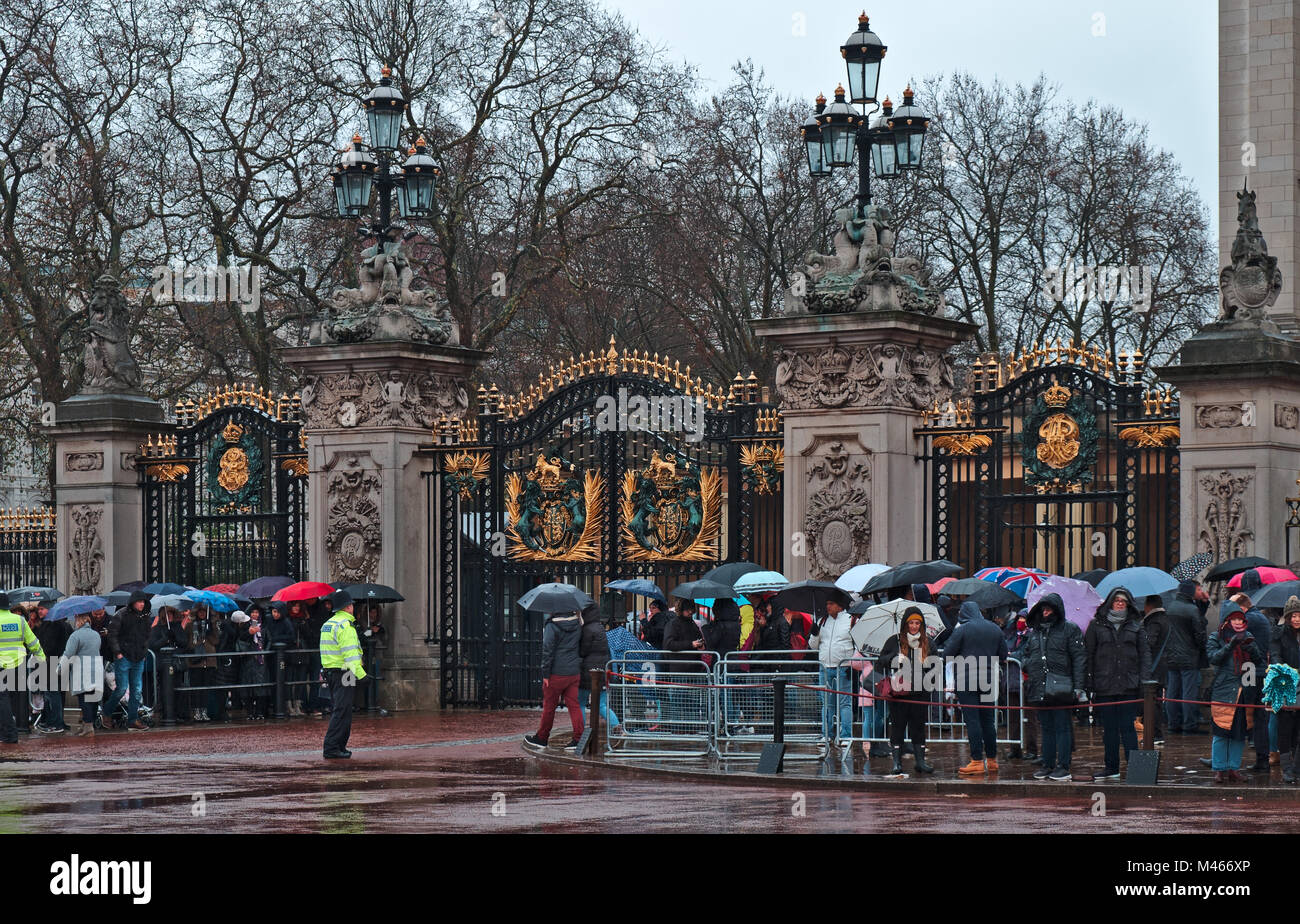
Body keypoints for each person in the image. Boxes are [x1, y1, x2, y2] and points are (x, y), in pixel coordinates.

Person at [1084, 587, 1151, 780]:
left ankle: (1134, 767)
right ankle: (1111, 766)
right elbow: (1089, 654)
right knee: (1110, 730)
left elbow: (1144, 654)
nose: (1120, 603)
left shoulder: (1136, 626)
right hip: (1105, 684)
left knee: (1128, 728)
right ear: (1110, 603)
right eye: (1117, 600)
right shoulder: (1096, 625)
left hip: (1129, 684)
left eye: (1123, 600)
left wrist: (1144, 680)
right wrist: (1088, 682)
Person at [1021, 593, 1086, 781]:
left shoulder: (1069, 629)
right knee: (1047, 728)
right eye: (1043, 608)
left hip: (1061, 686)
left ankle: (1063, 765)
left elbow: (1079, 658)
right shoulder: (1035, 632)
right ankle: (1047, 764)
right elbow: (1025, 654)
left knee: (1062, 727)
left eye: (1049, 608)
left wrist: (1078, 687)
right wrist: (1027, 664)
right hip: (1039, 686)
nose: (1045, 611)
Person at [945, 600, 1008, 775]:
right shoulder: (995, 628)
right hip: (989, 679)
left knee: (972, 720)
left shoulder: (962, 630)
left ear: (963, 614)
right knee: (988, 721)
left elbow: (947, 653)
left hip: (966, 679)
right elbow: (1003, 654)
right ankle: (992, 760)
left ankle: (977, 761)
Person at [875, 606, 935, 774]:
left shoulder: (928, 642)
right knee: (898, 727)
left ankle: (920, 761)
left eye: (917, 623)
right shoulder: (894, 641)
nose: (914, 626)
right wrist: (895, 658)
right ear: (905, 624)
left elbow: (935, 664)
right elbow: (881, 661)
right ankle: (896, 762)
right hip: (899, 692)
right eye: (911, 623)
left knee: (918, 727)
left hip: (920, 693)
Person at [1208, 603, 1263, 783]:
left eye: (1241, 618)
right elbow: (1214, 658)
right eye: (1234, 619)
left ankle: (1233, 768)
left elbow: (1258, 660)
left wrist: (1250, 648)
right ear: (1227, 620)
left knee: (1240, 733)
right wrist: (1230, 645)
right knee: (1221, 731)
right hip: (1223, 690)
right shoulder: (1216, 636)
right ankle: (1219, 768)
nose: (1238, 622)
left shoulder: (1249, 636)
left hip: (1245, 690)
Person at [1230, 572, 1273, 771]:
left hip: (1251, 670)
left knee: (1248, 713)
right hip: (1256, 670)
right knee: (1255, 714)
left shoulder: (1250, 619)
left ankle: (1241, 758)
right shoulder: (1258, 616)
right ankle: (1259, 757)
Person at [523, 607, 583, 751]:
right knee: (574, 705)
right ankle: (579, 738)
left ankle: (542, 738)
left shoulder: (552, 625)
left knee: (549, 706)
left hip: (556, 673)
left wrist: (545, 673)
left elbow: (548, 650)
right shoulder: (577, 624)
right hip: (573, 671)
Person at [320, 590, 367, 759]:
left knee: (340, 708)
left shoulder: (329, 624)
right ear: (348, 607)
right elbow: (350, 655)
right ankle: (333, 746)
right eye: (352, 604)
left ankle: (338, 746)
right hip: (345, 672)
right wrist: (362, 675)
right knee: (342, 710)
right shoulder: (345, 626)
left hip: (332, 672)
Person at [808, 597, 856, 757]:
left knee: (844, 703)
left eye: (831, 603)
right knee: (826, 703)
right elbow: (813, 645)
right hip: (825, 666)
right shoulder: (822, 621)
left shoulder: (851, 620)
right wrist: (814, 634)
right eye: (827, 603)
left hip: (843, 667)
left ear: (839, 605)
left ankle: (846, 735)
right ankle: (826, 734)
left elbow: (857, 644)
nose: (828, 606)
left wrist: (852, 663)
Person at [1164, 579, 1208, 734]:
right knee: (1189, 692)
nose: (1200, 591)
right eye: (1198, 589)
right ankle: (1190, 724)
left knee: (1172, 691)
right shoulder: (1191, 609)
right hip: (1189, 656)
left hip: (1171, 656)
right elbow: (1200, 634)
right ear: (1190, 591)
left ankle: (1173, 723)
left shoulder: (1170, 607)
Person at [104, 591, 152, 731]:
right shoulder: (121, 615)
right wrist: (118, 653)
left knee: (136, 691)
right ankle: (107, 713)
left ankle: (132, 719)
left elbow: (147, 636)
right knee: (121, 689)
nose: (142, 604)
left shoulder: (145, 616)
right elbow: (112, 635)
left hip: (138, 656)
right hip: (124, 657)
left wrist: (143, 651)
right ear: (133, 602)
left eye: (143, 602)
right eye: (139, 601)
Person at [0, 593, 43, 743]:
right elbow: (33, 642)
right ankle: (22, 725)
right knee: (20, 696)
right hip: (19, 663)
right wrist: (41, 657)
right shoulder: (19, 620)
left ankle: (9, 733)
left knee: (3, 699)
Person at [578, 603, 621, 734]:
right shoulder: (600, 628)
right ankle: (617, 726)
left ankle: (580, 732)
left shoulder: (586, 629)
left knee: (580, 702)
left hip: (587, 672)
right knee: (601, 704)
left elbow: (583, 651)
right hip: (601, 671)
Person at [1271, 596, 1300, 783]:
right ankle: (1287, 768)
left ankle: (1297, 767)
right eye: (1294, 615)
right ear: (1288, 617)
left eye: (1299, 615)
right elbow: (1275, 657)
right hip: (1286, 684)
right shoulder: (1279, 634)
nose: (1297, 619)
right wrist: (1288, 672)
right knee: (1285, 729)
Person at [31, 602, 71, 733]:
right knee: (57, 693)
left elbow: (48, 645)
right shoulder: (60, 624)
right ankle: (57, 721)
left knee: (52, 693)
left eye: (42, 609)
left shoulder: (52, 624)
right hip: (59, 662)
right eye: (39, 609)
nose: (40, 612)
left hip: (51, 662)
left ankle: (55, 723)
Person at [64, 611, 102, 737]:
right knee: (92, 698)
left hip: (82, 669)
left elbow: (68, 654)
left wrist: (59, 668)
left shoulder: (76, 636)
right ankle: (87, 725)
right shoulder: (96, 634)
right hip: (96, 668)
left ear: (78, 619)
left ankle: (88, 727)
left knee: (83, 698)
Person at [1140, 593, 1170, 745]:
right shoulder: (1165, 619)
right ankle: (1154, 733)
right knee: (1156, 701)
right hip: (1161, 666)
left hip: (1153, 667)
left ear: (1148, 606)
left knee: (1152, 702)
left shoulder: (1154, 621)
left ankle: (1155, 734)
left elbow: (1149, 642)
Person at [265, 601, 299, 717]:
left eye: (277, 612)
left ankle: (281, 707)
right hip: (272, 655)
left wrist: (276, 639)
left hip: (283, 656)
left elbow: (291, 637)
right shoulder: (269, 620)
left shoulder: (286, 622)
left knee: (282, 680)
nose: (275, 614)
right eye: (273, 612)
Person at [237, 606, 271, 720]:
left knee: (261, 687)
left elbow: (269, 640)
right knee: (248, 687)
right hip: (248, 659)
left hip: (261, 659)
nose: (255, 615)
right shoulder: (244, 625)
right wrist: (249, 632)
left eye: (257, 612)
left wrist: (265, 652)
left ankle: (260, 712)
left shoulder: (264, 626)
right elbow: (240, 638)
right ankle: (250, 712)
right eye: (252, 612)